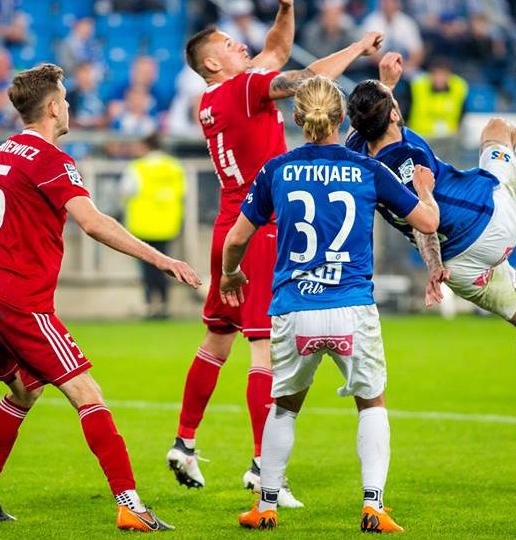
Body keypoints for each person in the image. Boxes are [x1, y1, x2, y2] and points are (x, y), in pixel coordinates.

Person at [0, 63, 201, 532]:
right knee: (87, 391)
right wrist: (161, 259)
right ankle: (130, 504)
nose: (68, 106)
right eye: (64, 99)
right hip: (14, 297)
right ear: (51, 107)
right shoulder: (50, 158)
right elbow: (93, 221)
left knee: (25, 389)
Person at [166, 0, 384, 506]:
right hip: (261, 228)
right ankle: (263, 469)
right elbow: (305, 79)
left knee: (217, 340)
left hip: (229, 224)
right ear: (213, 62)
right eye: (227, 43)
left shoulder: (214, 98)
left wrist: (286, 6)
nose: (239, 44)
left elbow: (277, 48)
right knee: (263, 349)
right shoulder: (243, 88)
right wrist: (356, 47)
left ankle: (185, 441)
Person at [346, 52, 516, 453]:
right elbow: (424, 219)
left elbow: (378, 123)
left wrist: (433, 267)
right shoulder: (411, 160)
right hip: (488, 221)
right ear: (393, 116)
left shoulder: (356, 151)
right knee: (498, 130)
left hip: (457, 268)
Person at [222, 75, 439, 532]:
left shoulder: (276, 169)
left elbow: (237, 238)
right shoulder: (368, 169)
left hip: (295, 309)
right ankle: (374, 506)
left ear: (297, 118)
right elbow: (426, 221)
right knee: (372, 403)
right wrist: (425, 189)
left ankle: (265, 505)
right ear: (342, 118)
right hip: (351, 306)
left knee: (284, 406)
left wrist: (229, 274)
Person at [121, 132, 187, 319]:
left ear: (145, 147)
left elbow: (126, 191)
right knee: (166, 266)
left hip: (143, 225)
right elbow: (183, 192)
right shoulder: (174, 167)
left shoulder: (137, 167)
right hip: (168, 224)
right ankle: (165, 304)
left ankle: (151, 305)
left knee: (147, 268)